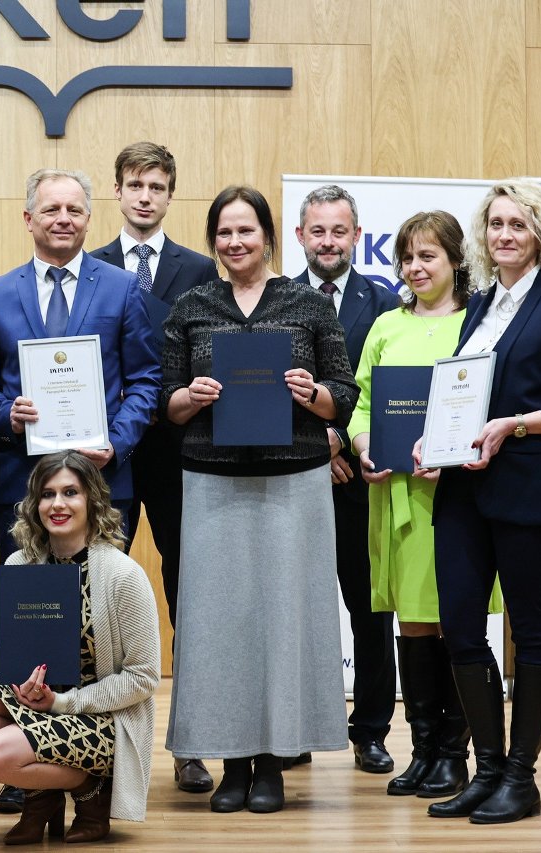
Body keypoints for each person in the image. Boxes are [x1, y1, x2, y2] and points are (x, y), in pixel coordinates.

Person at [0, 167, 159, 814]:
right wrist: (7, 413)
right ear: (29, 219)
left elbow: (146, 380)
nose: (63, 219)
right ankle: (31, 765)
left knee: (96, 624)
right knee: (27, 624)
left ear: (88, 217)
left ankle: (92, 765)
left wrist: (117, 442)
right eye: (51, 209)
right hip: (21, 483)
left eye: (75, 209)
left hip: (101, 482)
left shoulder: (122, 288)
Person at [161, 186, 356, 813]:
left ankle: (272, 762)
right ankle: (232, 762)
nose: (234, 242)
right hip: (212, 481)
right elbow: (167, 401)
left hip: (293, 482)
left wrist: (311, 394)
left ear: (269, 236)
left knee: (284, 620)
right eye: (224, 232)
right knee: (219, 626)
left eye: (246, 230)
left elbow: (344, 393)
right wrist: (191, 396)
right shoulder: (192, 305)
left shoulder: (308, 303)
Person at [417, 180, 541, 824]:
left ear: (540, 235)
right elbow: (465, 397)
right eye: (496, 223)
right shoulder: (479, 305)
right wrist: (433, 441)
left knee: (528, 631)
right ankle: (487, 772)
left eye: (518, 224)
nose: (504, 234)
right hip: (462, 492)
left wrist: (515, 425)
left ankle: (521, 779)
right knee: (461, 628)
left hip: (528, 492)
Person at [348, 211, 502, 799]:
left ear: (456, 261)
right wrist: (365, 447)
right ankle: (424, 750)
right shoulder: (386, 325)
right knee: (412, 623)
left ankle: (455, 756)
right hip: (398, 496)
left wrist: (453, 455)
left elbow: (489, 406)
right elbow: (362, 405)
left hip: (458, 498)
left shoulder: (480, 323)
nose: (415, 268)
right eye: (407, 258)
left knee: (456, 622)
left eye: (428, 256)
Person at [0, 450, 160, 845]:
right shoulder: (20, 565)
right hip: (42, 705)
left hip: (103, 717)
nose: (57, 504)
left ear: (92, 500)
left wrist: (63, 702)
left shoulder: (123, 574)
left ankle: (90, 788)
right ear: (35, 503)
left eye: (70, 492)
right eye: (47, 494)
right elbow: (19, 657)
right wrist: (25, 688)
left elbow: (144, 678)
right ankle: (42, 795)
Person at [89, 141, 216, 794]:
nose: (145, 196)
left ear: (171, 194)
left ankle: (191, 742)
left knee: (187, 593)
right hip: (104, 455)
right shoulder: (88, 267)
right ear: (117, 190)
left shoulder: (201, 270)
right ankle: (90, 745)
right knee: (96, 595)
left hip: (178, 454)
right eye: (135, 184)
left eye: (157, 186)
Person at [290, 184, 400, 775]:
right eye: (318, 231)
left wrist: (343, 444)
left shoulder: (386, 304)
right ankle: (295, 730)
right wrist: (318, 448)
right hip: (295, 484)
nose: (328, 242)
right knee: (295, 613)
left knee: (370, 611)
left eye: (339, 231)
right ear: (300, 236)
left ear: (357, 236)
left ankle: (372, 731)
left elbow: (387, 390)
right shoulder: (277, 302)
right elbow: (270, 395)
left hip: (363, 482)